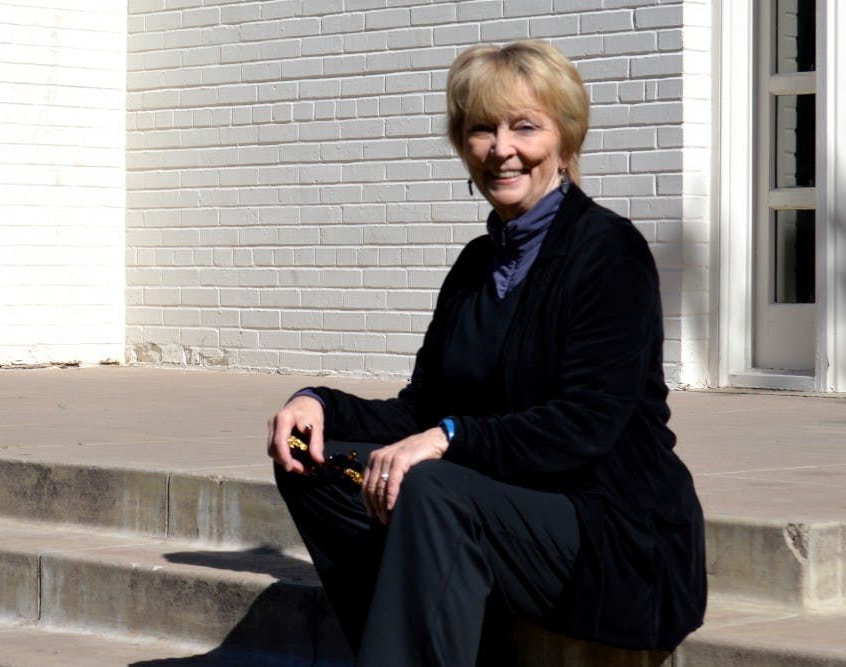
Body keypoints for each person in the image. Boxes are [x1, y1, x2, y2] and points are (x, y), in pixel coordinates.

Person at [267, 40, 707, 667]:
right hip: (507, 507)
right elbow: (421, 407)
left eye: (525, 126)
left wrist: (448, 437)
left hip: (612, 535)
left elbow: (584, 426)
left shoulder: (609, 252)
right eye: (481, 130)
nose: (501, 148)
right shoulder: (476, 265)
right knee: (313, 464)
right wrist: (317, 404)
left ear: (564, 139)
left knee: (432, 486)